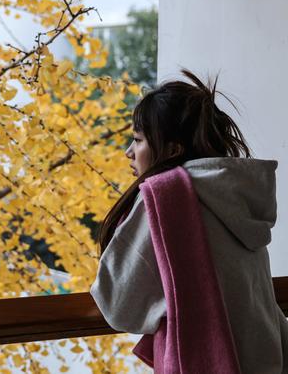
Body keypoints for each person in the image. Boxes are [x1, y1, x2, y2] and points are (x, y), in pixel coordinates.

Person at [90, 69, 288, 373]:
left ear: (172, 150)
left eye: (138, 139)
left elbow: (119, 305)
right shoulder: (240, 196)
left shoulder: (167, 196)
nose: (129, 152)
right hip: (267, 358)